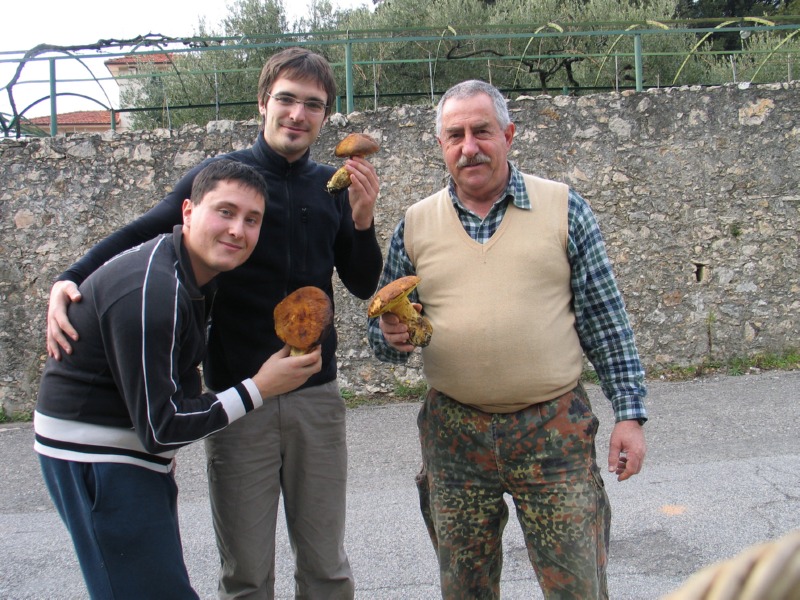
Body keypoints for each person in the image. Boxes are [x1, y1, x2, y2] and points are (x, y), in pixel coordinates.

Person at [46, 48, 383, 599]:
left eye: (313, 104)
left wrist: (363, 222)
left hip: (316, 396)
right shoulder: (223, 180)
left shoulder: (335, 186)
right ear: (263, 103)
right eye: (287, 99)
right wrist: (70, 276)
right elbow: (146, 230)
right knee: (245, 571)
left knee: (326, 565)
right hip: (238, 396)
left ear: (326, 116)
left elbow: (364, 283)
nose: (298, 114)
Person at [367, 79, 648, 600]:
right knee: (465, 589)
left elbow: (606, 321)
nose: (469, 147)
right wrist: (391, 335)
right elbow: (381, 340)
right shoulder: (415, 225)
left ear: (509, 135)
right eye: (455, 136)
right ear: (441, 145)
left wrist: (629, 415)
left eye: (482, 131)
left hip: (553, 431)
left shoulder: (565, 209)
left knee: (578, 587)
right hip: (454, 438)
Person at [35, 160, 325, 599]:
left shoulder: (189, 273)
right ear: (187, 211)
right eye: (225, 212)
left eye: (252, 220)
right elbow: (162, 429)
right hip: (97, 455)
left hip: (124, 450)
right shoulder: (155, 290)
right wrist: (260, 387)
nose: (237, 230)